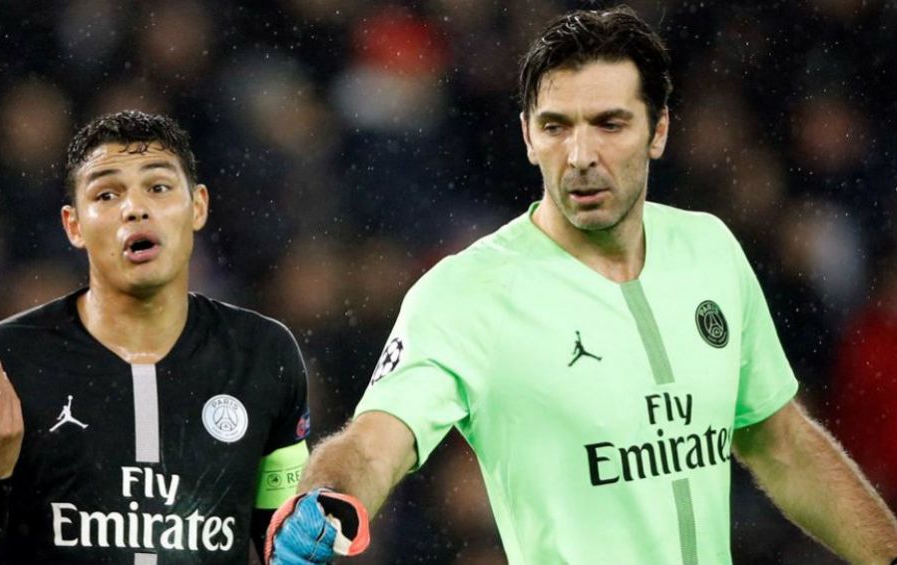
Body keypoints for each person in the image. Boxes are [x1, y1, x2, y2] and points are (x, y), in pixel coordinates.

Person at [264, 7, 897, 565]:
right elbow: (373, 448)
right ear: (526, 135)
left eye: (610, 123)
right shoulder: (467, 292)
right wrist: (325, 495)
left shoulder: (710, 250)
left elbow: (781, 443)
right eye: (557, 125)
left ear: (660, 131)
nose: (580, 154)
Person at [0, 110, 312, 564]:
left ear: (198, 206)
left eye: (158, 187)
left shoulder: (262, 355)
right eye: (106, 193)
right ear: (74, 225)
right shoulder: (1, 362)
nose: (135, 208)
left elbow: (288, 547)